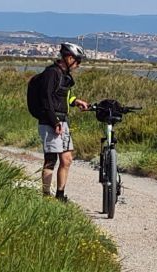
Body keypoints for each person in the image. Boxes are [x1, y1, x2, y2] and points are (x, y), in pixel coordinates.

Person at [25, 42, 92, 201]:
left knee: (67, 159)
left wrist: (76, 102)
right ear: (69, 58)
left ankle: (60, 195)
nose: (78, 64)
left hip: (62, 121)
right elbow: (46, 99)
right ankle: (46, 196)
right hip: (50, 122)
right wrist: (54, 122)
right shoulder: (51, 73)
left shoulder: (64, 76)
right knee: (51, 160)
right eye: (78, 60)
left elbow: (62, 97)